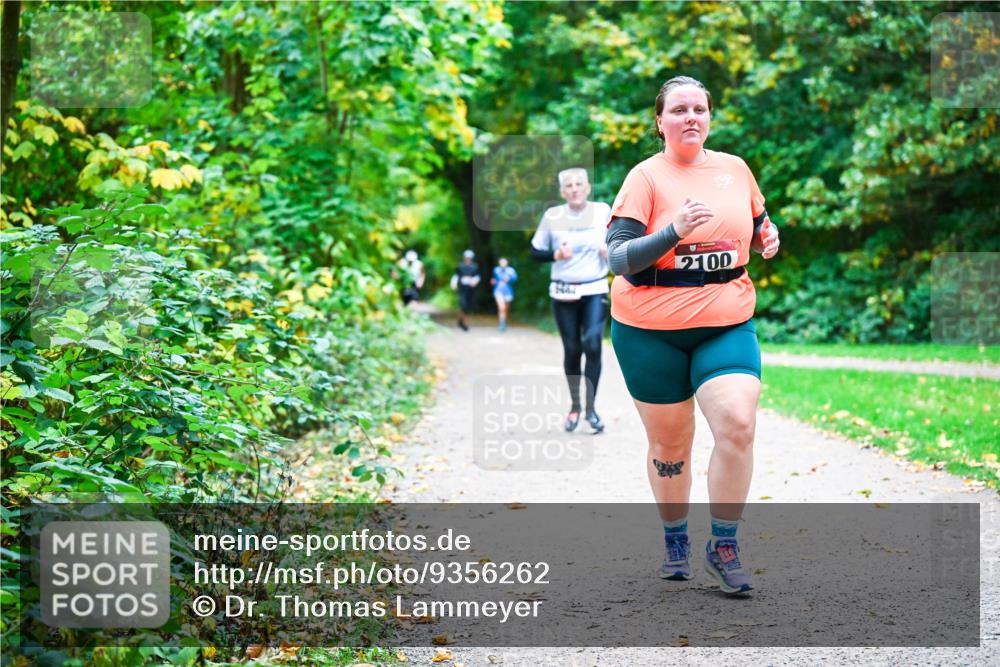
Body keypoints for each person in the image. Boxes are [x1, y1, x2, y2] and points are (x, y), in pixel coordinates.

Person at [605, 76, 780, 595]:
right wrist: (673, 231)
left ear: (709, 117)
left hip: (725, 323)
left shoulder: (734, 169)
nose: (690, 118)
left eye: (699, 109)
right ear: (659, 121)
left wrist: (768, 234)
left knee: (737, 424)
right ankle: (676, 538)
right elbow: (618, 258)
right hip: (648, 331)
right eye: (678, 110)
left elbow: (758, 219)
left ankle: (723, 544)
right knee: (670, 444)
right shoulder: (646, 177)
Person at [530, 168, 611, 434]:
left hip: (594, 288)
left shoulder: (602, 211)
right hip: (563, 291)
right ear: (563, 192)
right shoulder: (553, 216)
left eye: (579, 184)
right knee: (573, 350)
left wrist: (607, 250)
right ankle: (575, 406)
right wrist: (556, 254)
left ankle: (591, 409)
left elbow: (621, 242)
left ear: (588, 187)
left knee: (593, 345)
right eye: (569, 185)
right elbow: (535, 251)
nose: (574, 188)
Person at [450, 249, 481, 331]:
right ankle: (463, 322)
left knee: (468, 306)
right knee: (463, 304)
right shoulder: (460, 266)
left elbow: (477, 276)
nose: (468, 259)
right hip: (462, 288)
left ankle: (462, 321)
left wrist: (475, 282)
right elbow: (456, 276)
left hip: (470, 289)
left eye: (469, 257)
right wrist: (454, 284)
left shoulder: (475, 266)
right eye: (467, 257)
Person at [490, 257, 518, 332]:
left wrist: (509, 279)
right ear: (499, 263)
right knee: (501, 307)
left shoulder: (511, 270)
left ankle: (503, 322)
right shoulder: (496, 270)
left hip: (508, 291)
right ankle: (501, 324)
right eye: (502, 262)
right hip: (498, 291)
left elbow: (515, 278)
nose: (503, 263)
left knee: (505, 309)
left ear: (507, 263)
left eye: (504, 262)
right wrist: (493, 281)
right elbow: (494, 279)